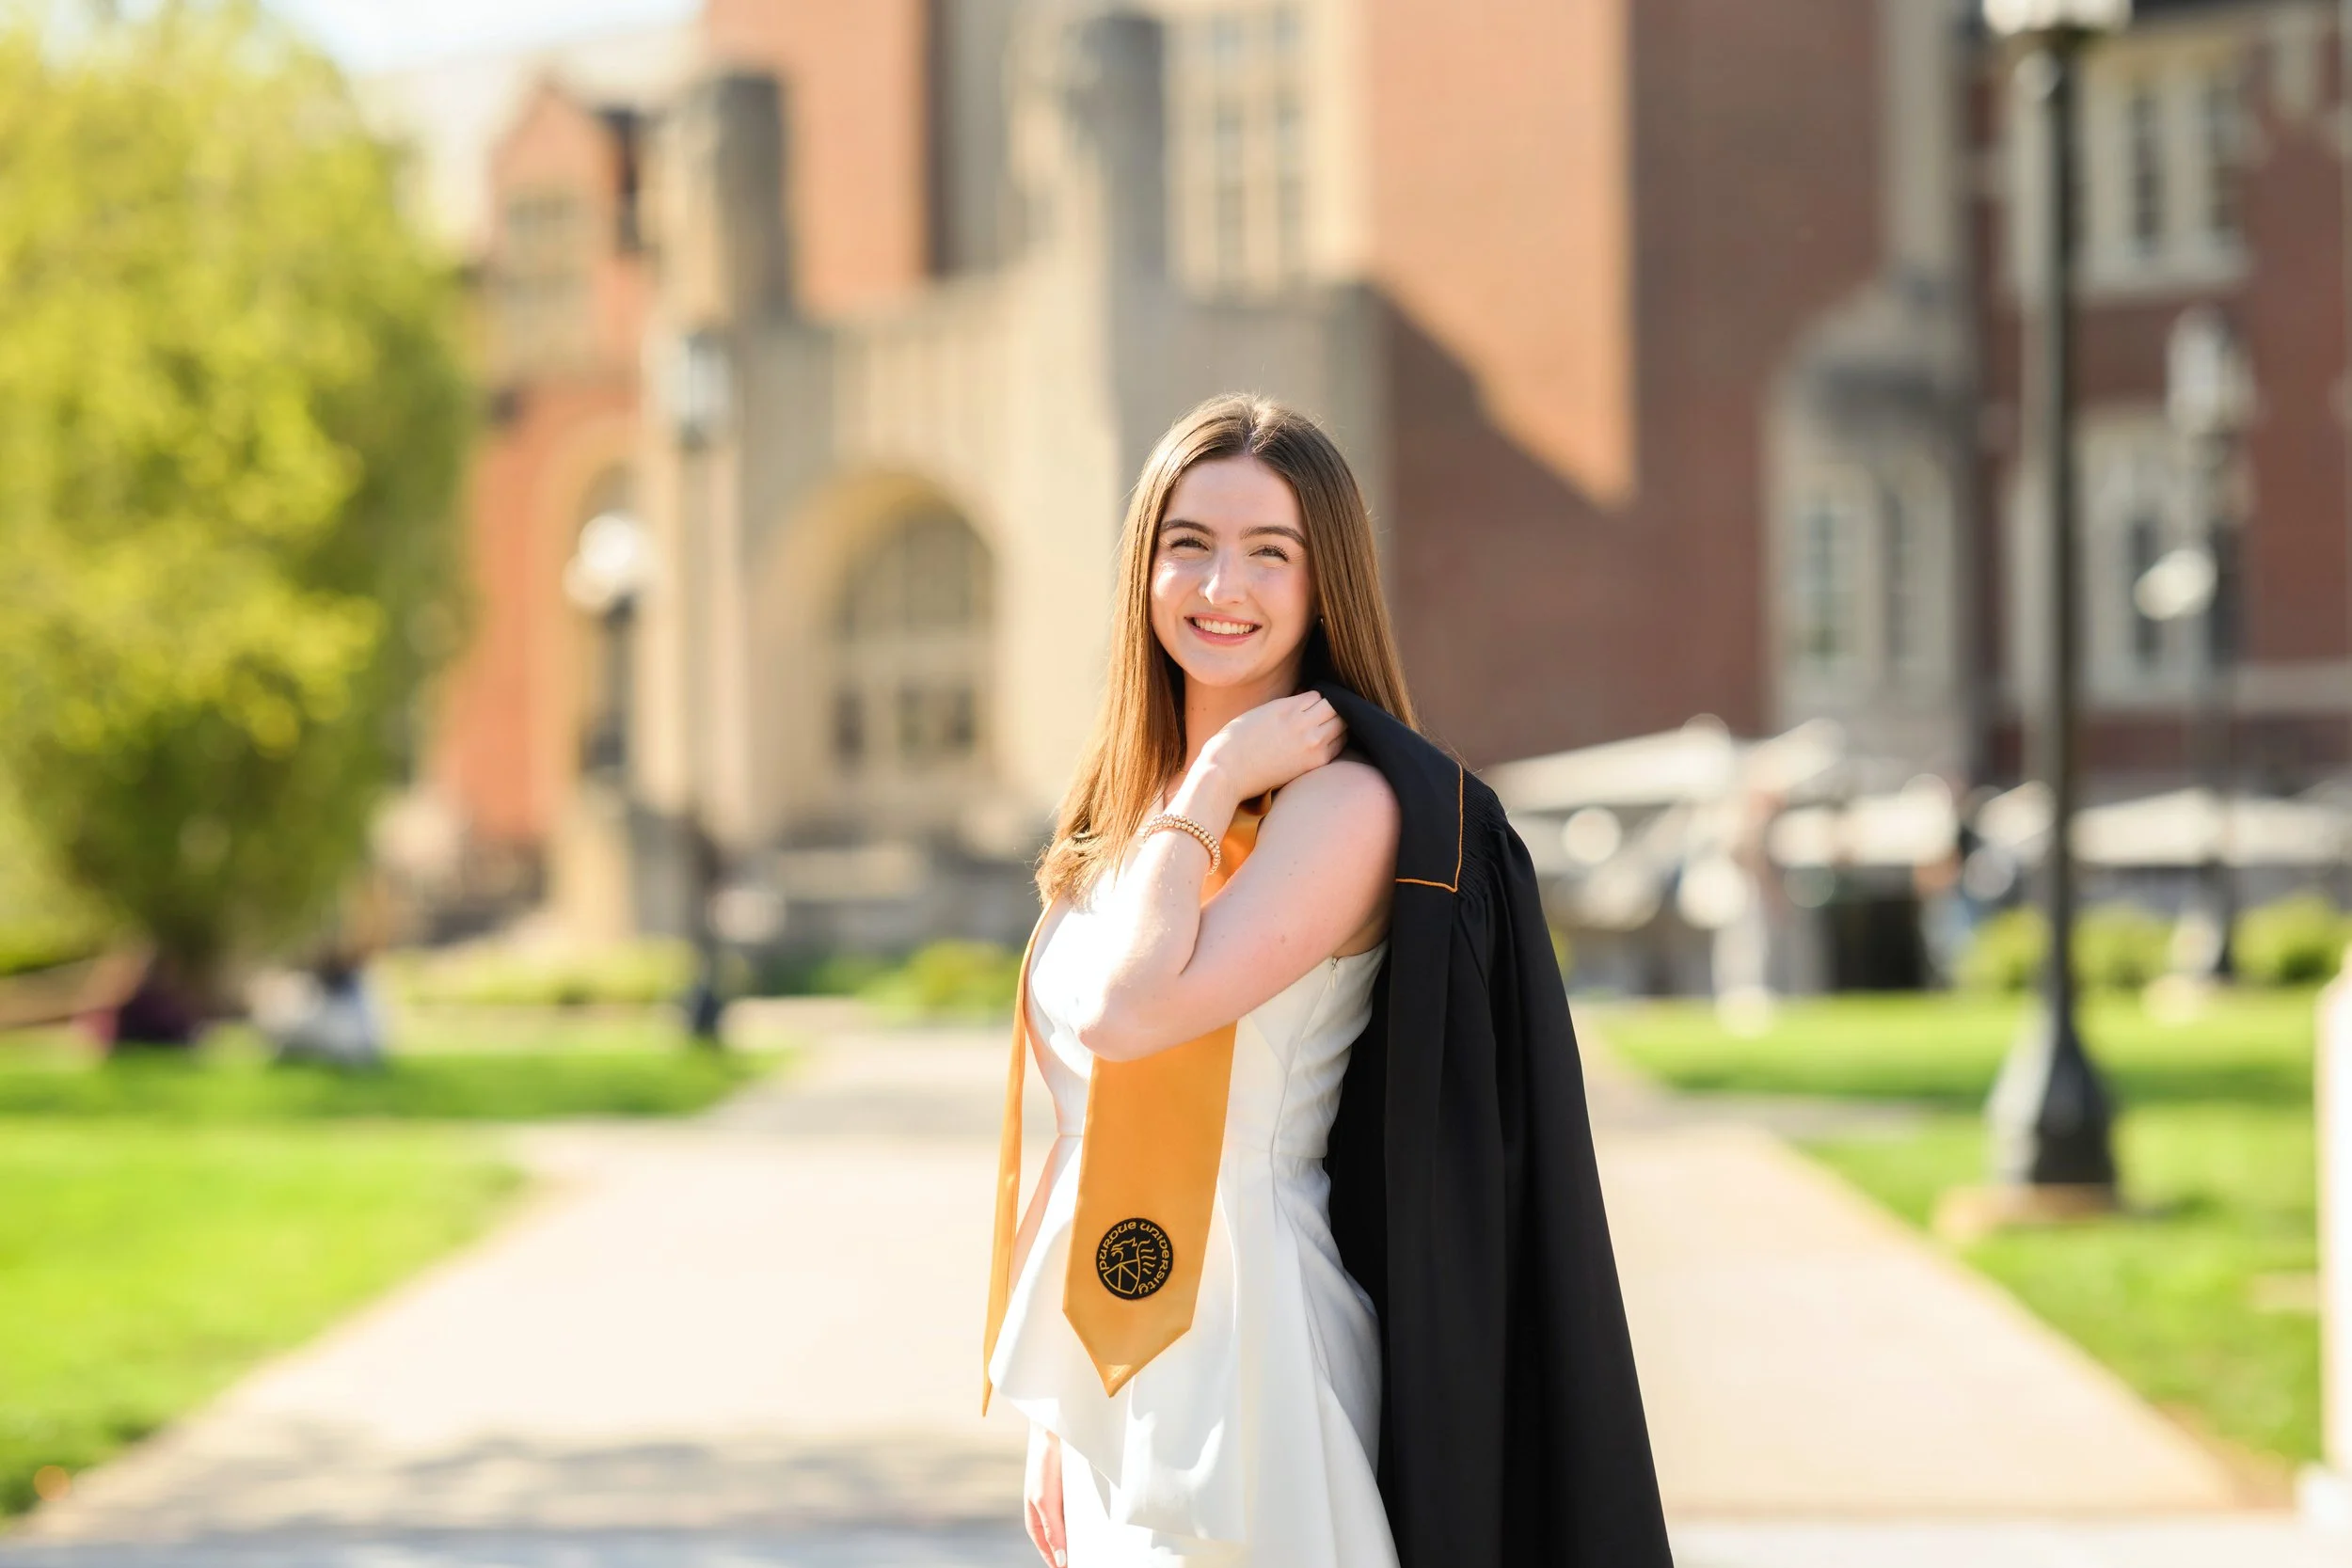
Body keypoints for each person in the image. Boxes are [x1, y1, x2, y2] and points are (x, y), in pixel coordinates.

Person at [982, 395, 1669, 1568]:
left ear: (1323, 579)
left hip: (1253, 1344)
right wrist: (1054, 1408)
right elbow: (1080, 1119)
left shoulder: (1345, 807)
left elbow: (1130, 1014)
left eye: (1268, 552)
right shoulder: (1125, 815)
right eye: (1186, 544)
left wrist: (1213, 781)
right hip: (1111, 1358)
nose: (1219, 586)